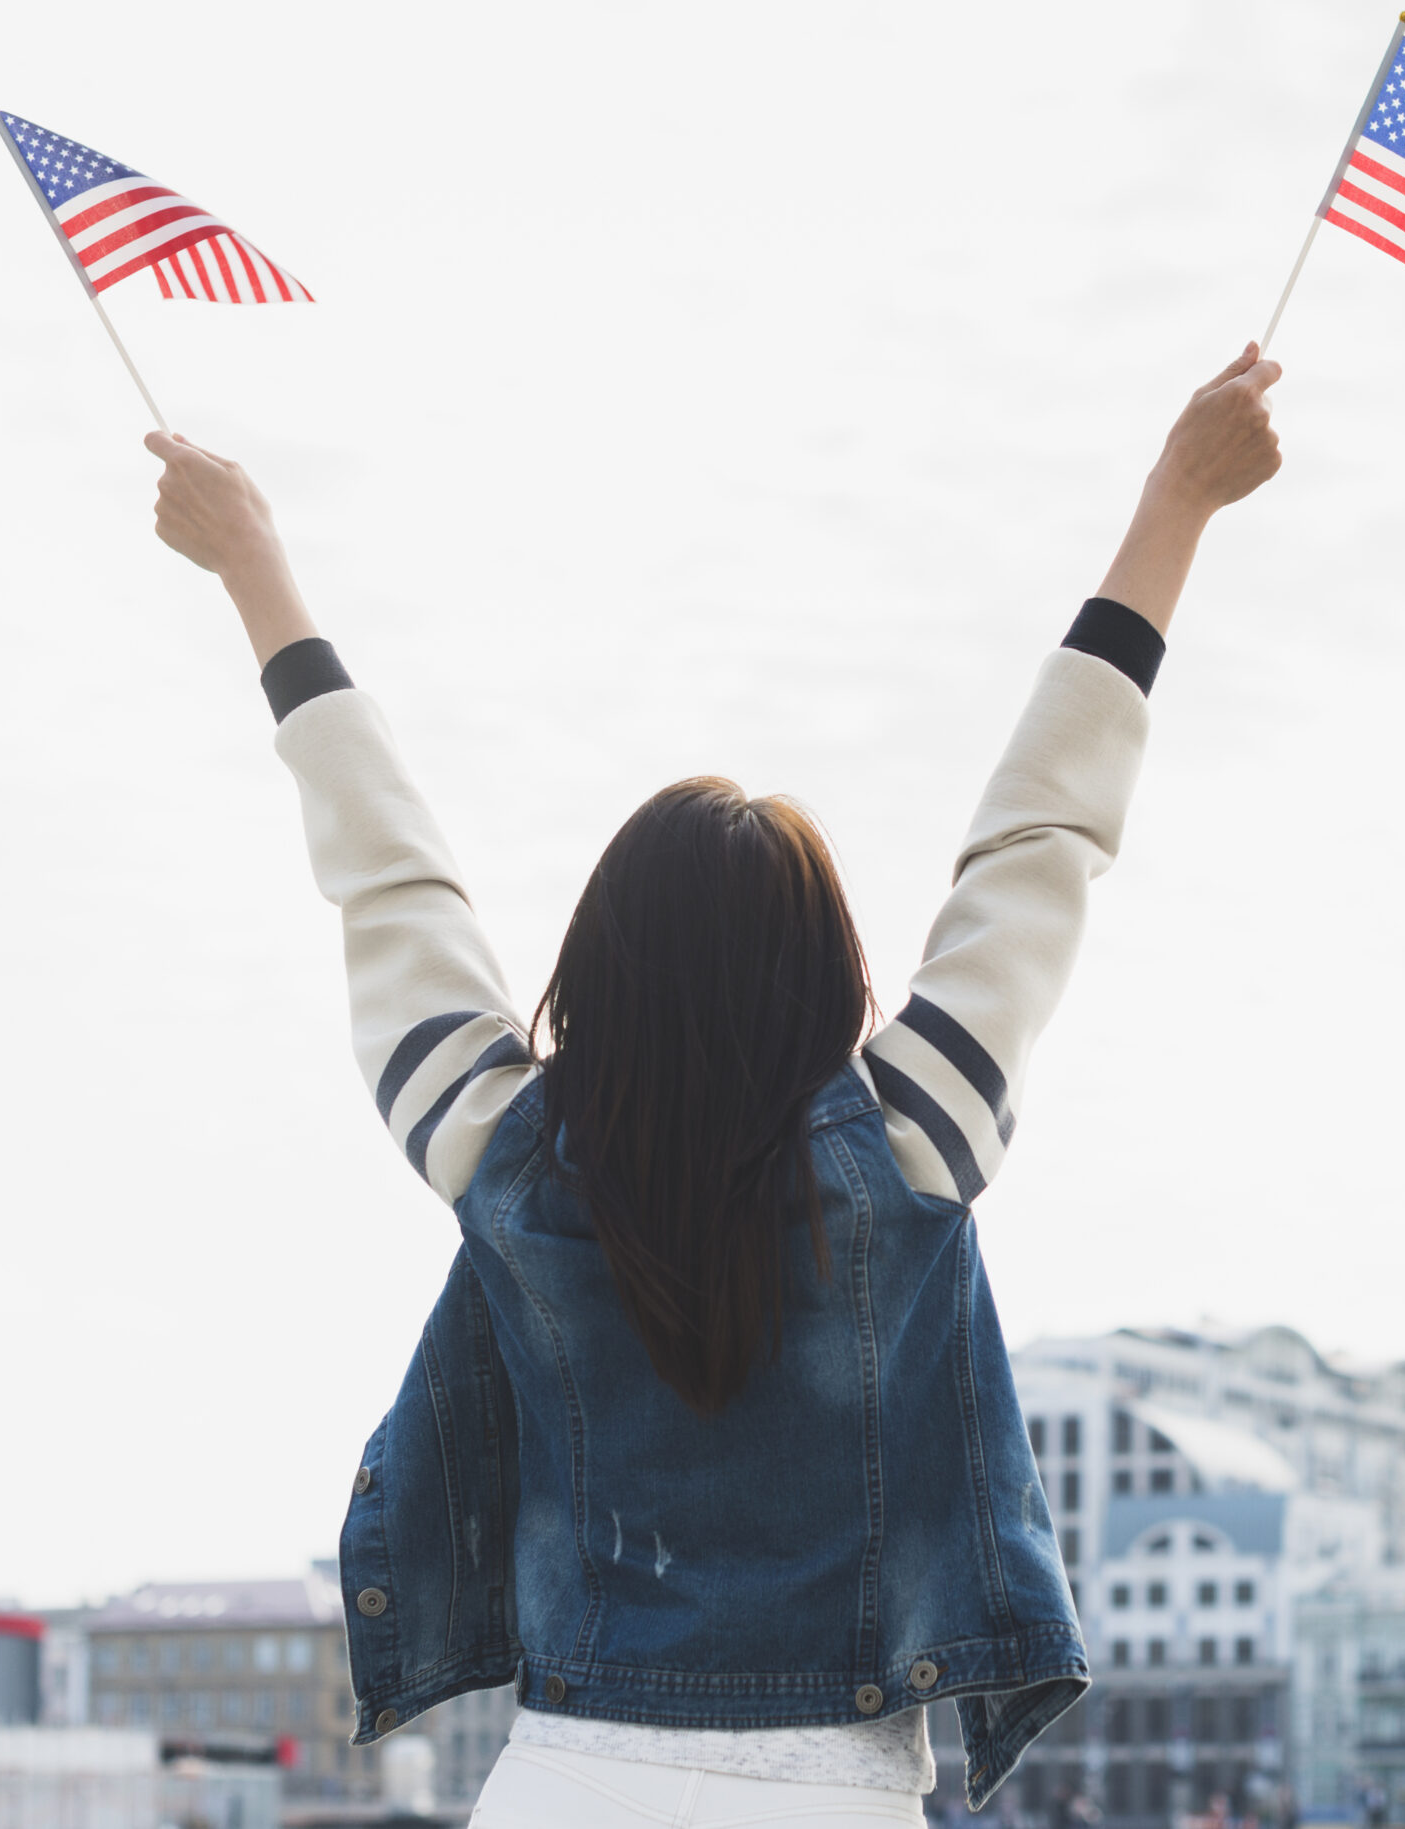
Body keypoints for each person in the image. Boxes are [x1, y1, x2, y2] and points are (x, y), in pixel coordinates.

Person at [145, 346, 1282, 1829]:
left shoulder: (503, 1147)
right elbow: (1043, 840)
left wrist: (255, 569)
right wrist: (1175, 507)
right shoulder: (916, 1139)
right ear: (826, 970)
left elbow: (387, 877)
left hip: (562, 1786)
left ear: (598, 962)